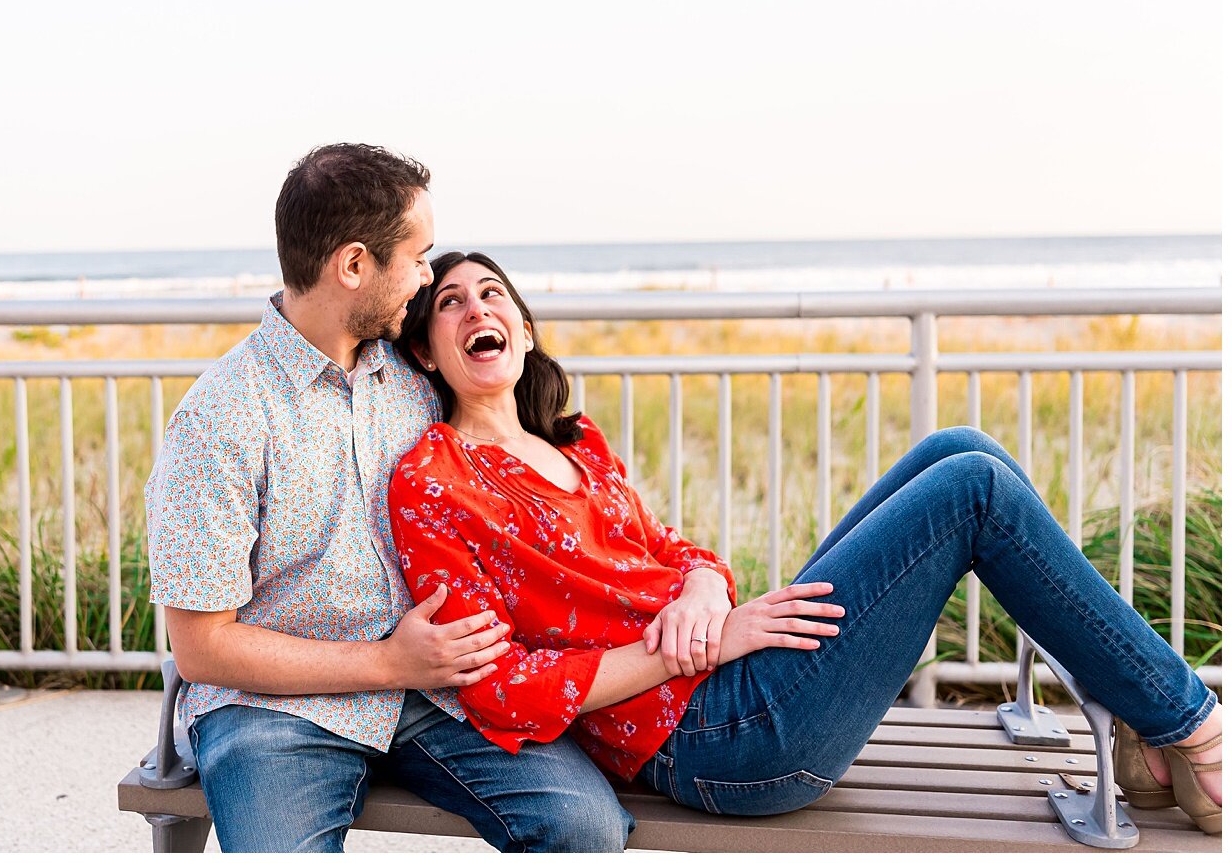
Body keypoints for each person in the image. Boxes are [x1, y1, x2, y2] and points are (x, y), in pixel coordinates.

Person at [388, 250, 1221, 834]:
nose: (476, 309)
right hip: (719, 741)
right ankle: (1193, 729)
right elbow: (499, 690)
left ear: (525, 331)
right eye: (450, 302)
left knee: (957, 448)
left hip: (734, 673)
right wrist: (693, 653)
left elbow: (680, 553)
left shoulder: (575, 445)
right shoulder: (435, 480)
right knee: (974, 491)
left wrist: (708, 595)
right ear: (426, 350)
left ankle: (1152, 744)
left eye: (492, 293)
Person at [144, 151, 633, 853]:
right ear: (353, 266)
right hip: (273, 714)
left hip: (433, 696)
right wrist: (390, 664)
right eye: (418, 256)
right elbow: (200, 647)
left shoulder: (415, 378)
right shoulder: (220, 416)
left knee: (585, 828)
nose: (428, 278)